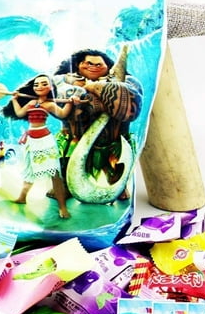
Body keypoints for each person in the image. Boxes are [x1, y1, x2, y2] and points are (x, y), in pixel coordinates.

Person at [51, 48, 143, 202]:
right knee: (65, 156)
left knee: (114, 161)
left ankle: (119, 186)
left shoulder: (129, 82)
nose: (93, 66)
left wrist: (93, 87)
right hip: (74, 139)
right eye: (88, 63)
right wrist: (84, 91)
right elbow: (58, 101)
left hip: (113, 140)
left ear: (108, 66)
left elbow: (131, 107)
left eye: (99, 64)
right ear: (78, 65)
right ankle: (64, 187)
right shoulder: (62, 80)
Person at [2, 74, 72, 218]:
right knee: (29, 170)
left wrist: (71, 102)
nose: (39, 87)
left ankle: (62, 207)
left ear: (50, 87)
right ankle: (22, 197)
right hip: (30, 140)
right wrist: (14, 99)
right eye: (36, 84)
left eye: (44, 84)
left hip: (45, 140)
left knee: (54, 173)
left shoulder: (50, 105)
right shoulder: (31, 103)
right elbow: (19, 113)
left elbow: (63, 114)